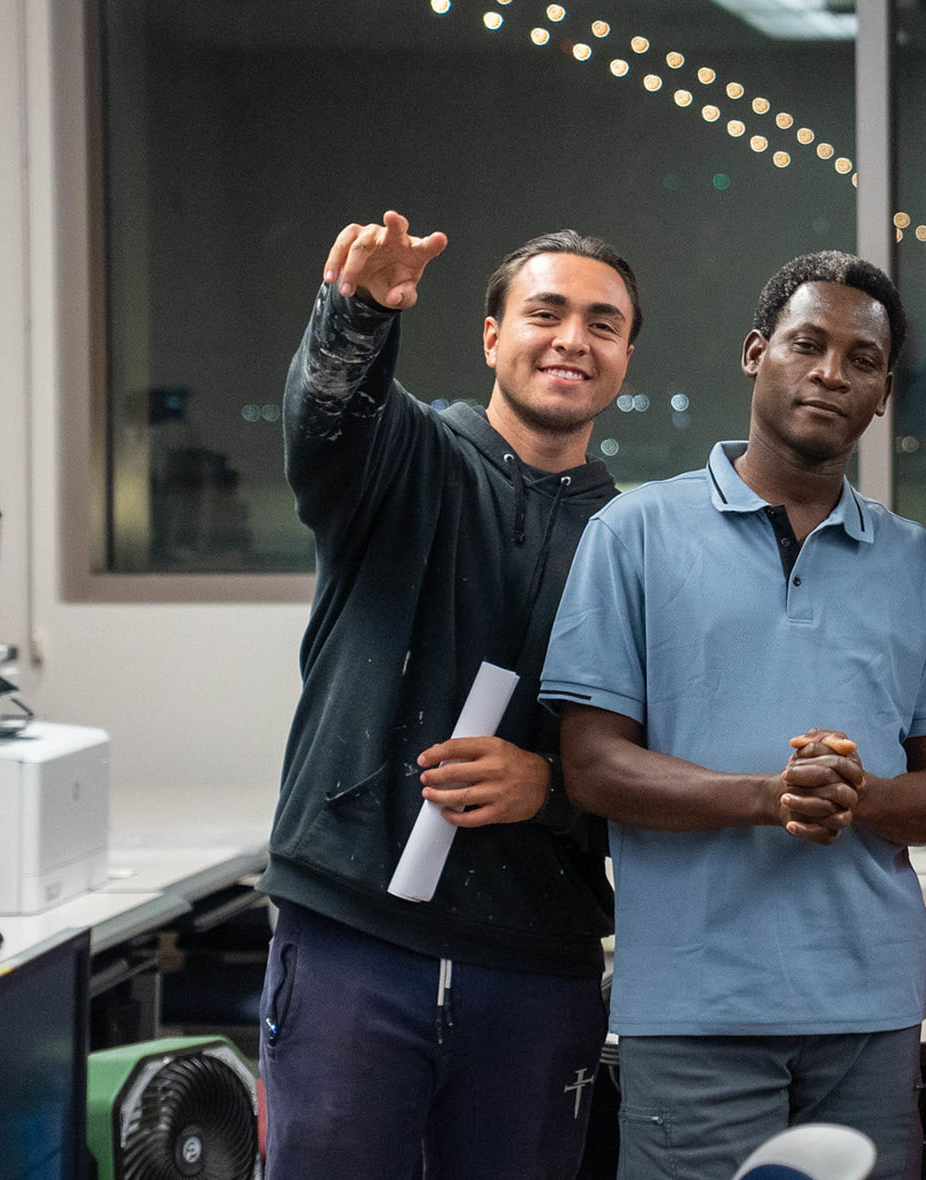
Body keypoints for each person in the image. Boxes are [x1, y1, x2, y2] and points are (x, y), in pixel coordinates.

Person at [545, 251, 926, 1180]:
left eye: (862, 360)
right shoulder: (634, 533)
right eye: (807, 344)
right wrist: (769, 795)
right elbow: (593, 767)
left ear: (885, 391)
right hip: (696, 1007)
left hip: (867, 1008)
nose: (831, 373)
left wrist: (852, 796)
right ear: (754, 353)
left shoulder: (920, 565)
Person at [260, 213, 638, 1178]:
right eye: (544, 313)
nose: (571, 339)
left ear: (626, 355)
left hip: (535, 963)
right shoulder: (404, 461)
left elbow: (651, 760)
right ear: (490, 336)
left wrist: (547, 786)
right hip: (353, 940)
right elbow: (326, 415)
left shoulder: (640, 542)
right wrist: (354, 316)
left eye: (602, 323)